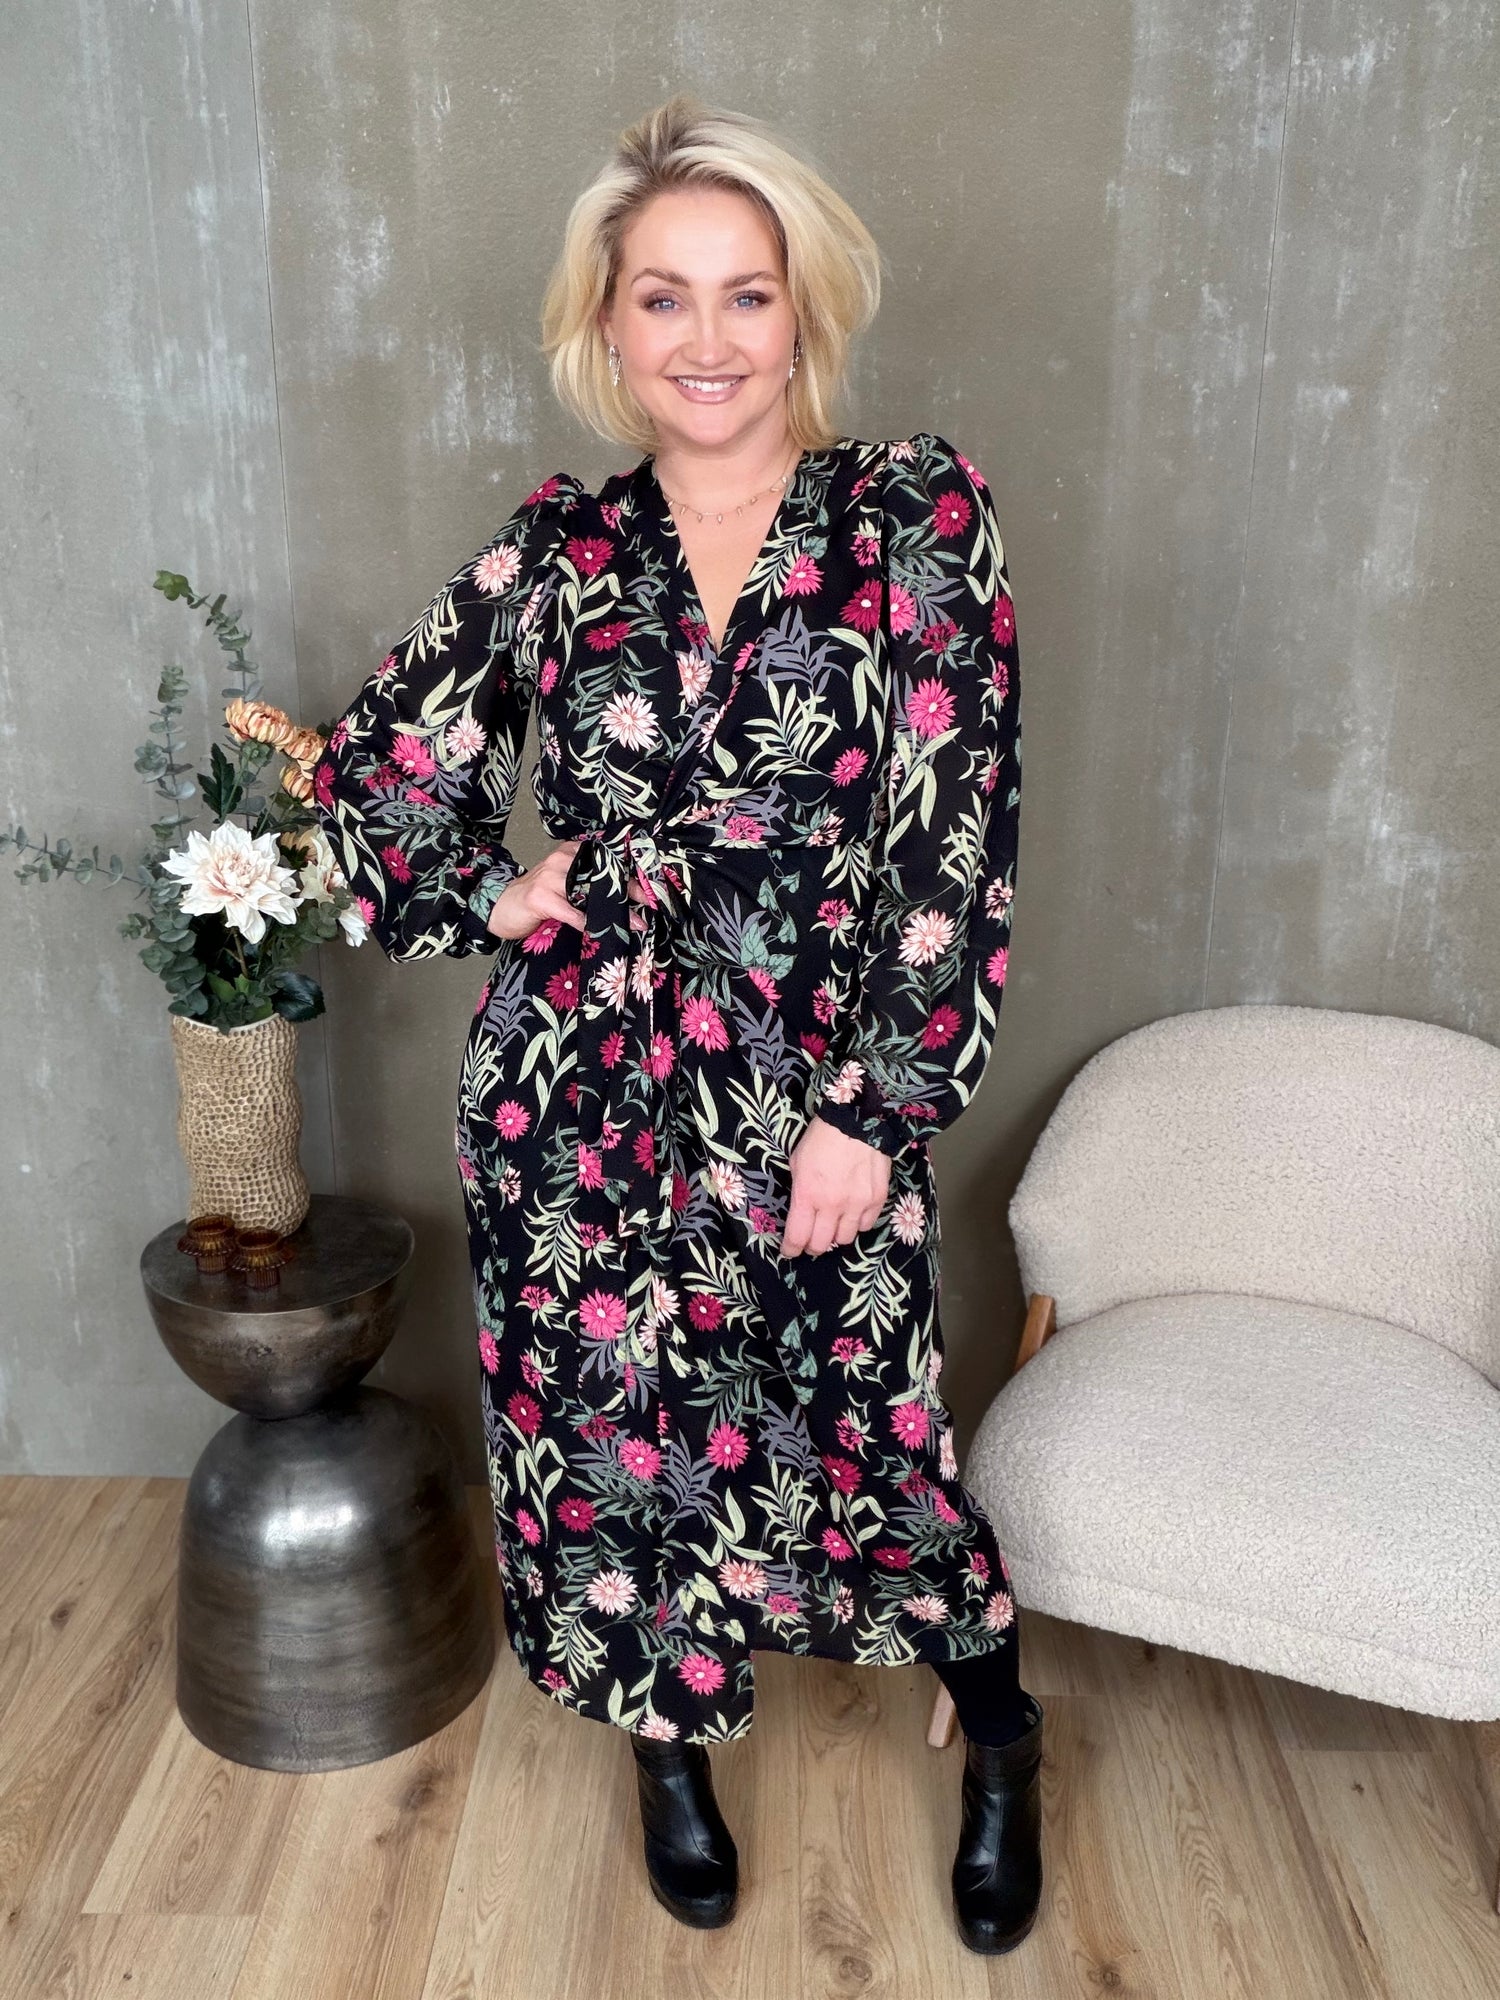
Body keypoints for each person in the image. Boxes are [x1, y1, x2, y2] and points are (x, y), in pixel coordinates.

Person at [311, 93, 1041, 1955]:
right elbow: (379, 767)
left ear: (805, 315)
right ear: (608, 325)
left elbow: (954, 844)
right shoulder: (559, 549)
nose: (707, 339)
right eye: (663, 296)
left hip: (815, 1086)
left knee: (869, 1433)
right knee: (616, 1444)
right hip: (582, 1097)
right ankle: (669, 1752)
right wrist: (498, 891)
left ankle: (1001, 1728)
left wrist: (874, 1111)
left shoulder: (918, 516)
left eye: (747, 293)